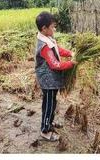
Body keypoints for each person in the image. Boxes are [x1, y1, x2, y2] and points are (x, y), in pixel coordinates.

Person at [35, 11, 76, 142]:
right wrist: (71, 63)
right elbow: (55, 65)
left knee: (52, 103)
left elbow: (58, 49)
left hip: (51, 79)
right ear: (44, 28)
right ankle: (45, 130)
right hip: (48, 81)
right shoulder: (44, 46)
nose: (55, 28)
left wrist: (70, 53)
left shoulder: (48, 39)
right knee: (48, 104)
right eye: (53, 26)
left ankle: (49, 123)